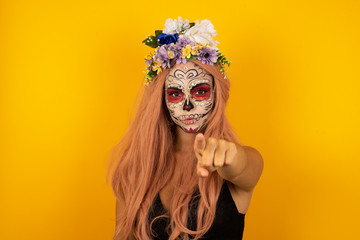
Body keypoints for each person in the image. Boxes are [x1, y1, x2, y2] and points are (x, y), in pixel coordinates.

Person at [107, 17, 264, 240]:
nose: (187, 105)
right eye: (175, 94)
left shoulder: (237, 163)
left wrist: (231, 156)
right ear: (161, 101)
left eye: (200, 91)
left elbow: (245, 166)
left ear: (216, 95)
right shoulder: (136, 172)